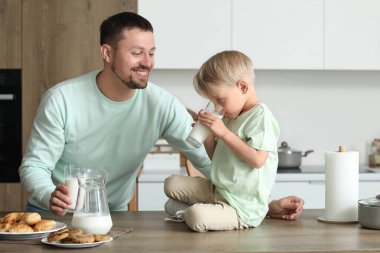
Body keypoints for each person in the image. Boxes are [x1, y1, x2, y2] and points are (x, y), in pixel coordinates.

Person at [19, 12, 303, 219]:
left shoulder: (161, 104)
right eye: (137, 53)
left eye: (152, 53)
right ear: (107, 53)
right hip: (50, 217)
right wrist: (49, 195)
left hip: (111, 219)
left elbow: (209, 164)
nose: (147, 63)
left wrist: (261, 206)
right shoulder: (62, 100)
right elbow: (34, 166)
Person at [164, 50, 288, 232]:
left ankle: (196, 213)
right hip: (220, 190)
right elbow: (217, 158)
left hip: (243, 206)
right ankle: (205, 212)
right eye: (213, 101)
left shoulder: (260, 117)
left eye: (220, 100)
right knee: (171, 184)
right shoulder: (231, 116)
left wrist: (223, 133)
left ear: (243, 87)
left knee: (195, 215)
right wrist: (207, 135)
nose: (216, 107)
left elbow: (257, 160)